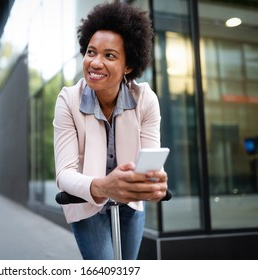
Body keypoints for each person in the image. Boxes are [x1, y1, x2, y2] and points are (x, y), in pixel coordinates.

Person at [53, 1, 169, 260]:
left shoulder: (145, 100)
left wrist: (155, 182)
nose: (95, 62)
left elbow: (151, 162)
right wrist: (104, 186)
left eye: (110, 55)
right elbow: (65, 174)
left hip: (129, 201)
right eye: (91, 52)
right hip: (84, 201)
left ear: (128, 66)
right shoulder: (68, 100)